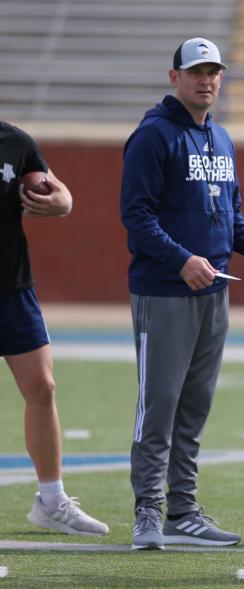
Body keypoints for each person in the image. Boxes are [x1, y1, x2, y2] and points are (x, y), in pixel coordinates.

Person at [120, 37, 244, 551]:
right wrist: (181, 260)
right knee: (160, 405)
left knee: (194, 405)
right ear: (174, 77)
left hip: (214, 290)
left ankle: (184, 510)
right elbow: (136, 216)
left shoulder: (221, 139)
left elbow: (231, 218)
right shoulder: (153, 137)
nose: (206, 79)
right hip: (166, 292)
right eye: (196, 71)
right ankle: (147, 512)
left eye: (214, 71)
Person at [0, 122, 110, 536]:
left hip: (12, 287)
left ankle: (50, 499)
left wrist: (61, 200)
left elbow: (59, 194)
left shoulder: (15, 142)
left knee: (43, 388)